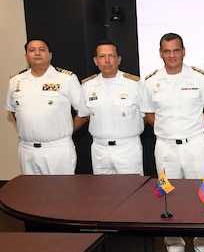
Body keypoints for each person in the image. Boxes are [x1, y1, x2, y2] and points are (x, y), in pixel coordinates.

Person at [144, 33, 204, 252]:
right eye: (167, 51)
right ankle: (174, 246)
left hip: (195, 144)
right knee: (169, 197)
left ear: (184, 51)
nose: (172, 55)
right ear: (160, 53)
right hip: (165, 146)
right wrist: (167, 130)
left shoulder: (198, 78)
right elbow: (148, 112)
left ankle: (202, 246)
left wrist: (195, 129)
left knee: (202, 195)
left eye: (176, 50)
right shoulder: (151, 81)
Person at [6, 38, 85, 175]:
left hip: (57, 150)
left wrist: (67, 132)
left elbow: (83, 113)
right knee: (32, 194)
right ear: (26, 56)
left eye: (42, 50)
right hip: (27, 150)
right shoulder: (15, 81)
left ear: (50, 55)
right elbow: (14, 111)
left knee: (60, 193)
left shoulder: (66, 79)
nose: (37, 53)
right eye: (32, 50)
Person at [78, 40, 151, 175]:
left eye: (111, 56)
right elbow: (85, 115)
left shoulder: (134, 84)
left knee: (131, 190)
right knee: (104, 193)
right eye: (102, 56)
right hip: (99, 149)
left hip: (127, 149)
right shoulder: (88, 86)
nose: (107, 60)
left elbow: (146, 115)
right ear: (95, 61)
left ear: (118, 59)